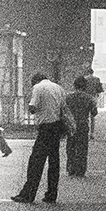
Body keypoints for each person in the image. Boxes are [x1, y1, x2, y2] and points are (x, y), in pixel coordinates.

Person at [11, 71, 69, 204]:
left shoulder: (38, 88)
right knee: (54, 162)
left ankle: (28, 194)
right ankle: (52, 194)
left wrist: (32, 104)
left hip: (45, 128)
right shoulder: (58, 88)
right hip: (56, 127)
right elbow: (63, 107)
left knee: (36, 162)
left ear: (35, 81)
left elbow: (32, 107)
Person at [64, 75, 98, 178]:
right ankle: (81, 170)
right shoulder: (89, 98)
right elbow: (94, 112)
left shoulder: (68, 97)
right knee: (82, 148)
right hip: (83, 125)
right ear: (85, 86)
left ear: (74, 85)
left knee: (71, 147)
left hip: (71, 125)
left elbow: (63, 111)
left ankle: (71, 168)